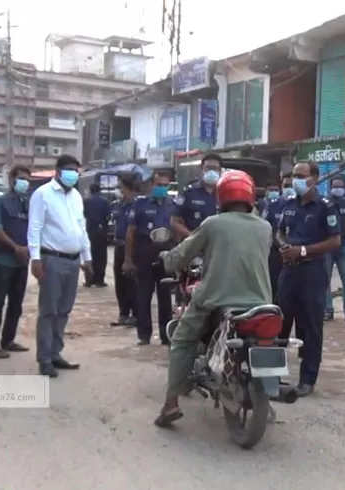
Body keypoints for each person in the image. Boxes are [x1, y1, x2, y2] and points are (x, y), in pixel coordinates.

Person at [153, 170, 272, 426]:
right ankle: (266, 401)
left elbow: (183, 253)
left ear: (221, 197)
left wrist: (168, 259)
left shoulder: (214, 223)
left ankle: (171, 403)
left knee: (182, 340)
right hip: (259, 303)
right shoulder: (265, 226)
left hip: (217, 300)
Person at [276, 162, 340, 398]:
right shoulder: (289, 204)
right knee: (279, 322)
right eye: (294, 175)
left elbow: (335, 241)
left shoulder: (325, 208)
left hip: (312, 271)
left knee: (311, 326)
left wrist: (302, 251)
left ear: (315, 178)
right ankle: (273, 375)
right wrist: (283, 245)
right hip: (288, 271)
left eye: (301, 176)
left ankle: (307, 379)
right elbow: (280, 230)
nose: (296, 180)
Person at [28, 155, 92, 377]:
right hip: (51, 259)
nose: (73, 174)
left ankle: (56, 352)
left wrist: (87, 256)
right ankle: (44, 358)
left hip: (73, 260)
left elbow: (81, 227)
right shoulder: (43, 194)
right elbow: (34, 227)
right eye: (68, 170)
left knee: (64, 310)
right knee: (49, 311)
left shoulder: (76, 196)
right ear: (57, 171)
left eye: (76, 170)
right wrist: (35, 259)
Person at [0, 164, 33, 358]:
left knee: (16, 303)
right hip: (1, 260)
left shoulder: (28, 203)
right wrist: (16, 248)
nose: (25, 183)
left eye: (28, 180)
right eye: (21, 178)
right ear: (12, 180)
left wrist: (28, 249)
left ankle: (8, 339)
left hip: (21, 262)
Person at [124, 170, 176, 346]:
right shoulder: (140, 204)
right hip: (144, 250)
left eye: (165, 185)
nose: (162, 188)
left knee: (165, 296)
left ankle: (165, 334)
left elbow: (177, 229)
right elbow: (130, 233)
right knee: (143, 296)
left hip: (166, 252)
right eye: (159, 185)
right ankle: (144, 335)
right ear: (151, 185)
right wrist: (128, 260)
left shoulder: (173, 205)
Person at [324, 178, 345, 322]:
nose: (338, 188)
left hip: (343, 245)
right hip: (327, 246)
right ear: (330, 187)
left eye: (340, 186)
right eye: (335, 186)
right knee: (325, 279)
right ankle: (327, 310)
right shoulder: (325, 203)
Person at [170, 153, 221, 239]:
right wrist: (191, 236)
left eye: (215, 169)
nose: (212, 172)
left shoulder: (225, 193)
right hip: (193, 246)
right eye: (208, 168)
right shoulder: (189, 192)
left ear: (220, 171)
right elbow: (174, 221)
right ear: (202, 170)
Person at [110, 174, 138, 327]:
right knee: (119, 282)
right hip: (118, 246)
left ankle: (135, 314)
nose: (119, 191)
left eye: (121, 188)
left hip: (132, 248)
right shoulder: (117, 205)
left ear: (130, 189)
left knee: (132, 283)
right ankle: (123, 313)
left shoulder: (137, 206)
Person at [262, 175, 291, 301]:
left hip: (297, 254)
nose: (289, 189)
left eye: (291, 186)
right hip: (275, 251)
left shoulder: (299, 206)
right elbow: (263, 227)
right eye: (286, 186)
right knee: (274, 284)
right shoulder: (273, 206)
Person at [83, 182, 111, 287]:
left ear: (91, 190)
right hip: (102, 230)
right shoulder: (105, 201)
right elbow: (108, 216)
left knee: (89, 254)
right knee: (101, 256)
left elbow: (83, 214)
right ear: (99, 190)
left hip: (90, 230)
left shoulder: (86, 201)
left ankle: (89, 280)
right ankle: (100, 280)